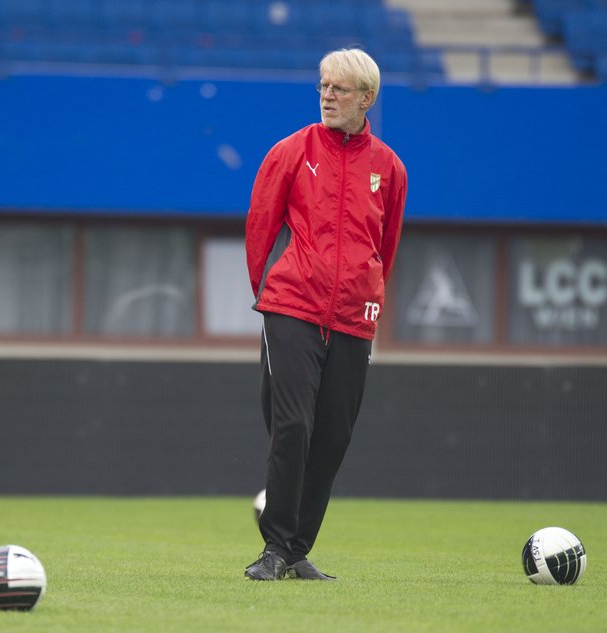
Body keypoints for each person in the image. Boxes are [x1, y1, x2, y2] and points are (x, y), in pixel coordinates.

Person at [244, 48, 407, 581]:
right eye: (323, 86)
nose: (327, 96)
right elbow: (260, 224)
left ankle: (296, 551)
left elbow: (386, 244)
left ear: (367, 98)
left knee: (333, 438)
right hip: (292, 306)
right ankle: (274, 548)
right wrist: (267, 292)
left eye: (339, 88)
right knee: (293, 426)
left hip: (354, 318)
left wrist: (369, 293)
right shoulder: (291, 151)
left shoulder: (390, 168)